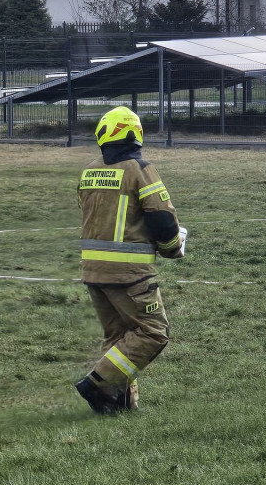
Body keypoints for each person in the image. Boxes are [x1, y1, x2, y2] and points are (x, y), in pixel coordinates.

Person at [74, 106, 184, 414]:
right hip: (130, 273)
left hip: (93, 271)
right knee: (153, 332)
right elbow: (162, 219)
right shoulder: (140, 169)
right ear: (135, 134)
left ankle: (118, 403)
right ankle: (97, 384)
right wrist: (174, 247)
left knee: (119, 336)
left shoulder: (89, 170)